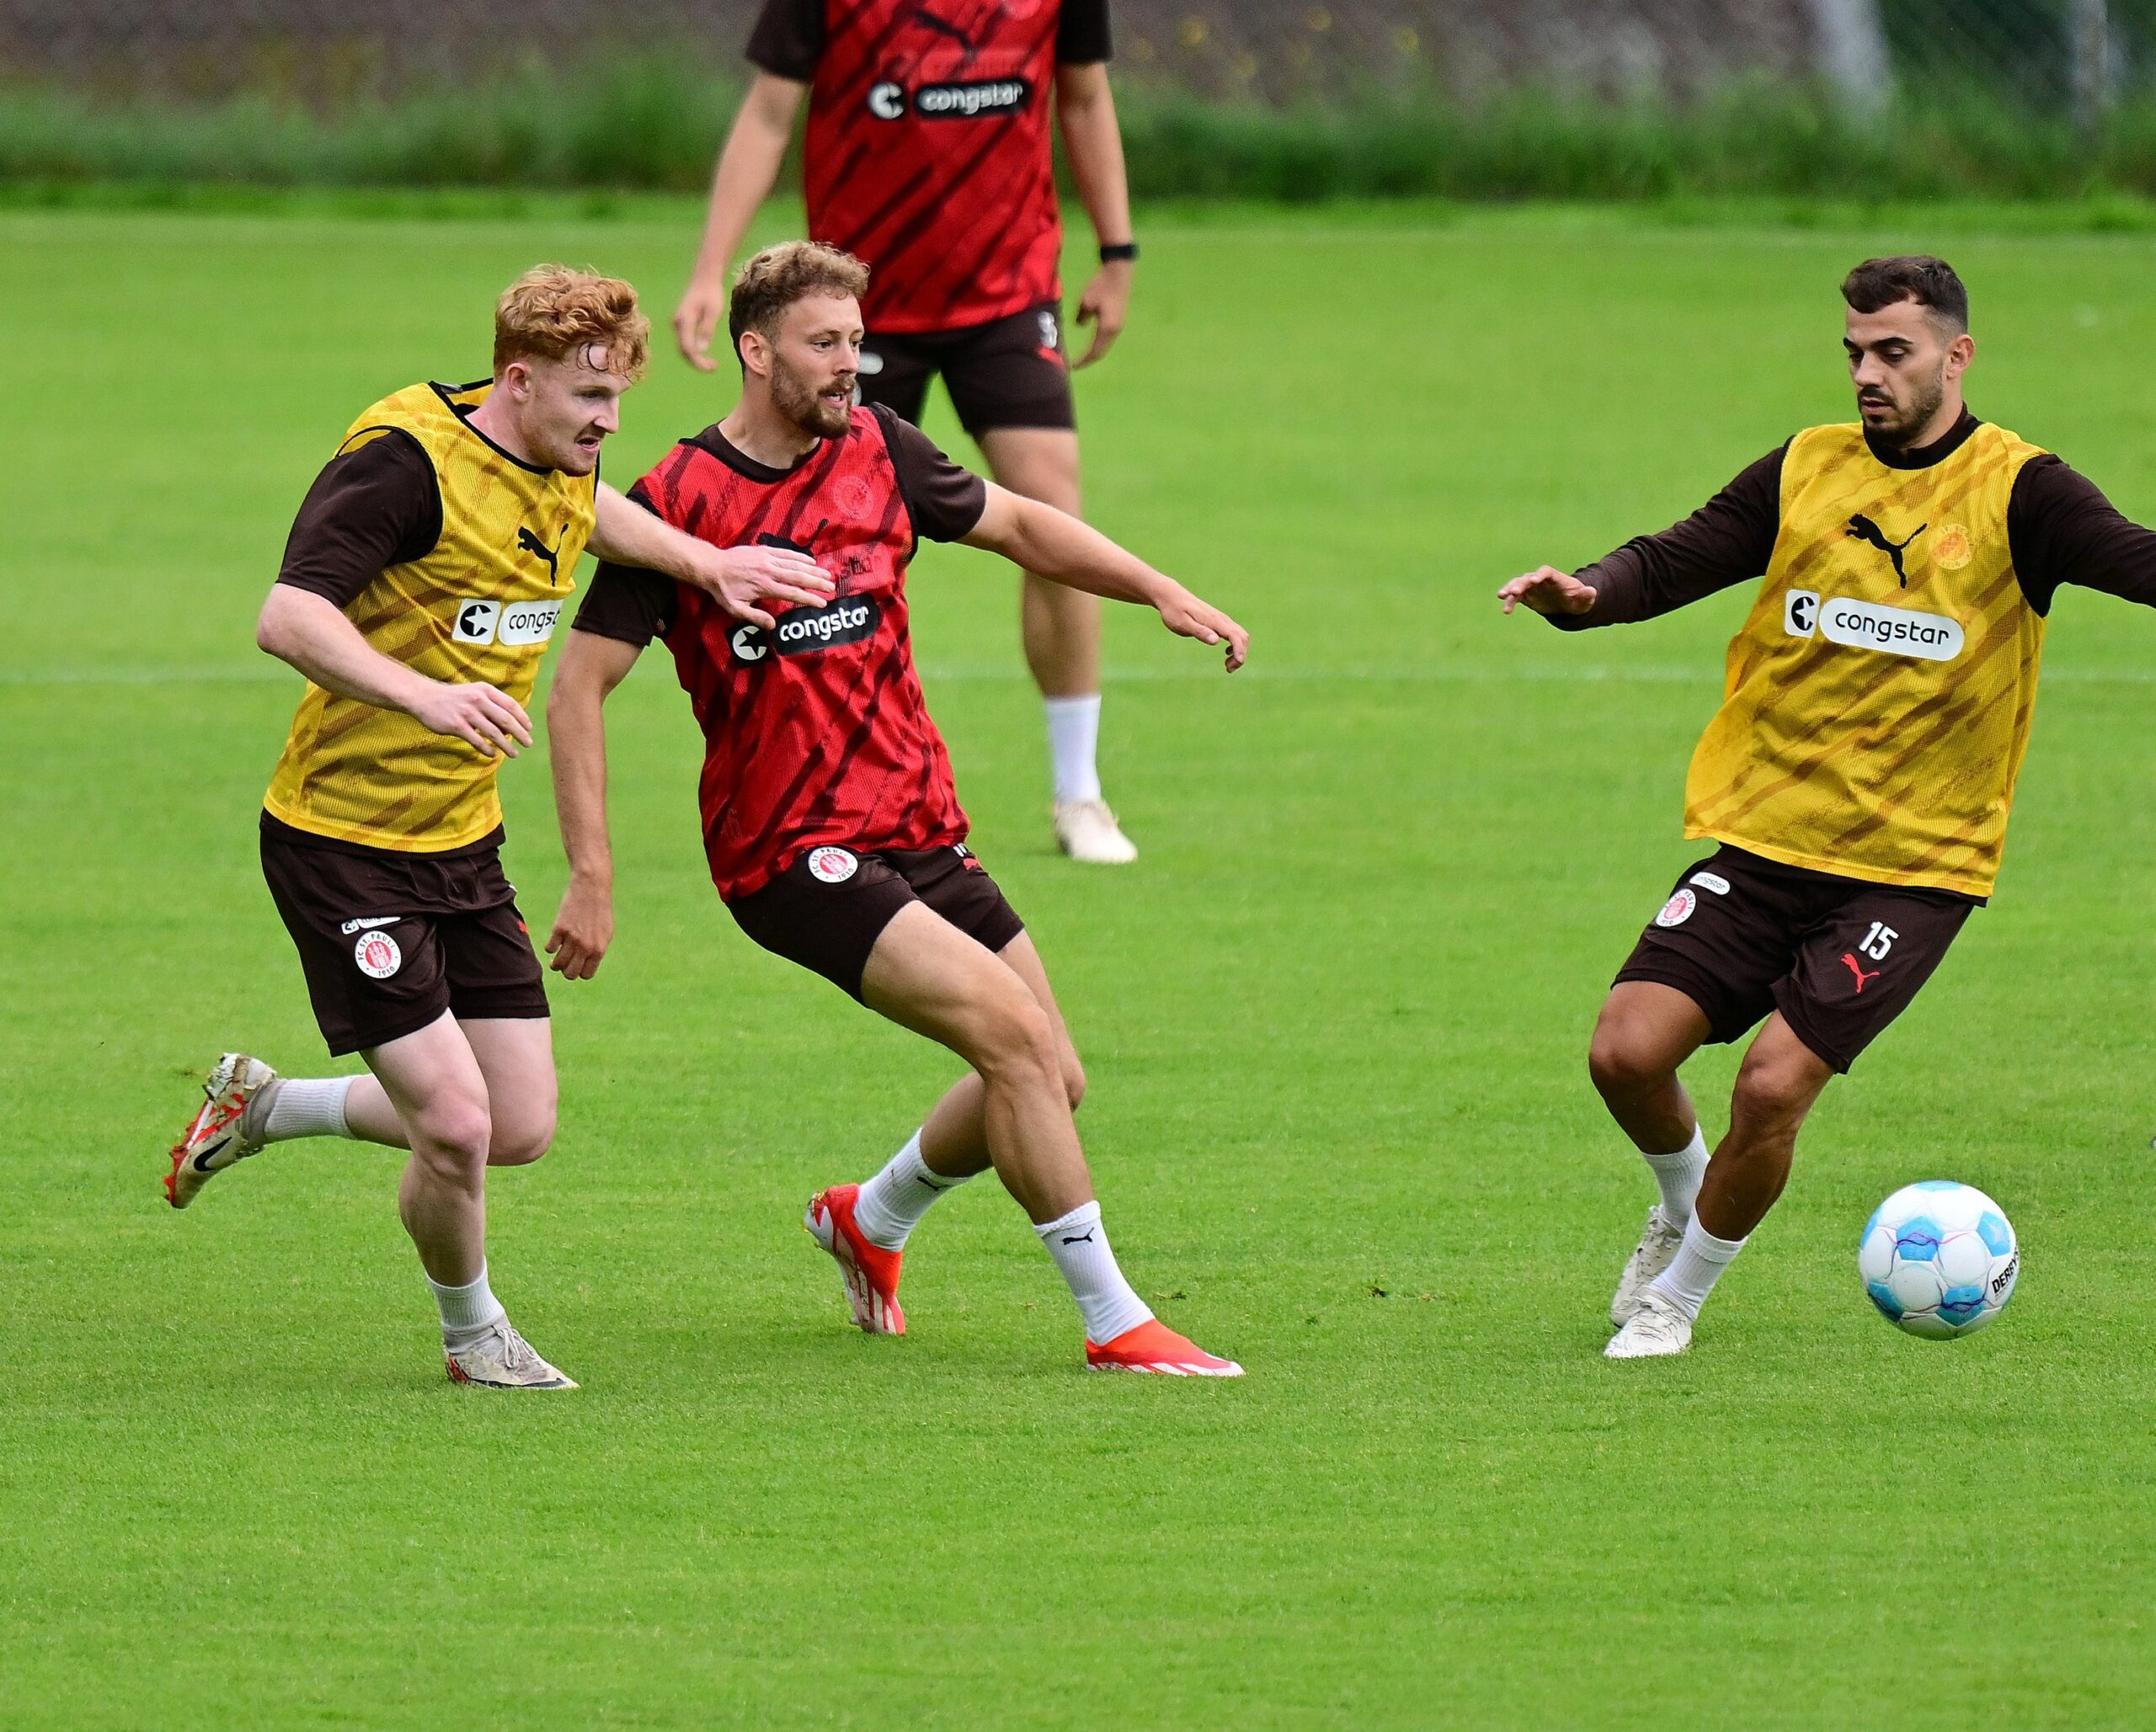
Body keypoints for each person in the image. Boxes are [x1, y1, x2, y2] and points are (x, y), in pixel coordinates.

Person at [549, 242, 1247, 1374]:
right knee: (1015, 1042)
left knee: (1047, 1076)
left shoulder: (882, 449)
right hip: (789, 852)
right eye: (826, 345)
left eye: (858, 343)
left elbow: (1021, 524)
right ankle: (1117, 1320)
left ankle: (866, 1221)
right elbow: (579, 686)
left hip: (919, 826)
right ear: (756, 348)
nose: (850, 366)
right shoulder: (678, 505)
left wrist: (1156, 586)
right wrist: (593, 872)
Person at [164, 264, 833, 1390]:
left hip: (458, 841)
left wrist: (704, 561)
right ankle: (474, 1335)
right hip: (341, 840)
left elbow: (587, 510)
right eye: (589, 403)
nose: (608, 426)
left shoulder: (555, 448)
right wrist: (424, 695)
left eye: (618, 401)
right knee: (459, 1127)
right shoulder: (405, 465)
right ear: (516, 382)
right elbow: (286, 615)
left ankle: (266, 1105)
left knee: (516, 1122)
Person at [1501, 254, 2156, 1359]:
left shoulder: (2021, 491)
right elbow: (1673, 558)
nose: (1867, 373)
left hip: (1916, 864)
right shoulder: (1808, 467)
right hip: (1768, 836)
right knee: (1625, 1051)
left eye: (1892, 352)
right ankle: (1683, 1201)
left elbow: (2139, 560)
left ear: (1957, 355)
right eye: (1853, 351)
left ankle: (1677, 1299)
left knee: (1773, 1081)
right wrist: (1587, 595)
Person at [672, 0, 1146, 864]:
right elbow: (771, 110)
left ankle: (1079, 790)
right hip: (855, 306)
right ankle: (815, 782)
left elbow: (1083, 98)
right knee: (819, 522)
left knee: (1051, 502)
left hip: (1007, 292)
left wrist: (1117, 254)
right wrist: (711, 271)